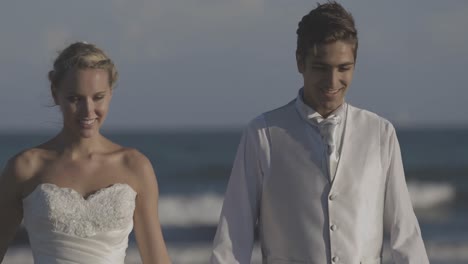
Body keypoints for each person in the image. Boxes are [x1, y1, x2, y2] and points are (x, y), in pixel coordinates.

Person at [211, 2, 429, 264]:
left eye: (343, 68)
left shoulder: (380, 134)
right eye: (321, 68)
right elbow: (233, 238)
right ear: (300, 62)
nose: (332, 81)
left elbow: (405, 237)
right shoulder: (263, 135)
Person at [0, 42, 171, 264]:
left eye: (98, 97)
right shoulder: (26, 167)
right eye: (75, 99)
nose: (88, 110)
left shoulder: (135, 166)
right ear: (55, 93)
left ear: (110, 93)